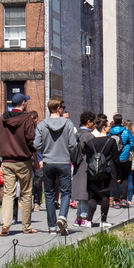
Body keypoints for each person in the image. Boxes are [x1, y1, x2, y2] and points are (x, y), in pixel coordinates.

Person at [34, 99, 78, 236]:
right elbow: (73, 145)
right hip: (64, 161)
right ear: (58, 108)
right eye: (62, 107)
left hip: (48, 161)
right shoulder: (68, 124)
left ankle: (52, 226)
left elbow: (36, 145)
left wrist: (45, 149)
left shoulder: (42, 125)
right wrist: (72, 157)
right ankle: (62, 217)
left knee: (49, 194)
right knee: (65, 192)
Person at [0, 93, 38, 236]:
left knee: (9, 193)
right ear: (23, 103)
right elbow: (31, 140)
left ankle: (5, 225)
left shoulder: (2, 118)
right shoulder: (26, 119)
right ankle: (26, 227)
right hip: (22, 160)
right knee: (26, 194)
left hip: (6, 160)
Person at [84, 114, 119, 228]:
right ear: (103, 127)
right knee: (105, 195)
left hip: (93, 172)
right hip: (107, 172)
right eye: (108, 126)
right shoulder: (111, 141)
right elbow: (115, 158)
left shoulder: (91, 142)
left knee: (93, 196)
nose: (110, 128)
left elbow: (88, 159)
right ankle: (103, 221)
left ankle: (89, 220)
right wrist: (118, 174)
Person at [72, 111, 96, 227]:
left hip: (76, 164)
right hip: (86, 164)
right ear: (88, 122)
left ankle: (78, 217)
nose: (94, 124)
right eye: (93, 122)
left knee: (80, 191)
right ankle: (85, 216)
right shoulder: (89, 136)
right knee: (86, 192)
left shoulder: (75, 134)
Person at [109, 114, 134, 207]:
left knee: (116, 179)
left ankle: (116, 201)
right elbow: (133, 143)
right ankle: (124, 199)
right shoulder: (126, 131)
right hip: (124, 158)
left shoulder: (110, 132)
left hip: (114, 158)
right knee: (125, 178)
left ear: (113, 122)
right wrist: (128, 149)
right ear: (121, 121)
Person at [29, 110, 44, 211]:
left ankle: (37, 201)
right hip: (29, 159)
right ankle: (29, 202)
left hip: (38, 159)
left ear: (36, 119)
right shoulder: (26, 130)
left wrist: (43, 159)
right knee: (30, 181)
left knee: (38, 182)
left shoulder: (40, 131)